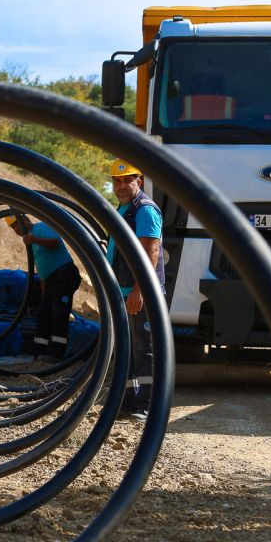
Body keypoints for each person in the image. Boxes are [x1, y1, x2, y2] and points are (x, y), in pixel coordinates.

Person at [106, 160, 166, 419]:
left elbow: (150, 252)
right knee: (128, 348)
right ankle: (129, 401)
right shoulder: (123, 208)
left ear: (138, 181)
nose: (121, 186)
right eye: (117, 181)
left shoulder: (144, 210)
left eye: (127, 180)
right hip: (123, 289)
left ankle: (146, 404)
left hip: (139, 291)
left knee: (145, 347)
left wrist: (140, 291)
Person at [5, 213, 81, 362]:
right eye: (13, 227)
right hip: (50, 280)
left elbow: (55, 243)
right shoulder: (30, 241)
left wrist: (34, 239)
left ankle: (56, 353)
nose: (16, 229)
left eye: (17, 224)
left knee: (59, 311)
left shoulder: (40, 228)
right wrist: (44, 290)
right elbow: (40, 266)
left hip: (64, 274)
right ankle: (38, 350)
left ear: (26, 220)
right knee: (44, 312)